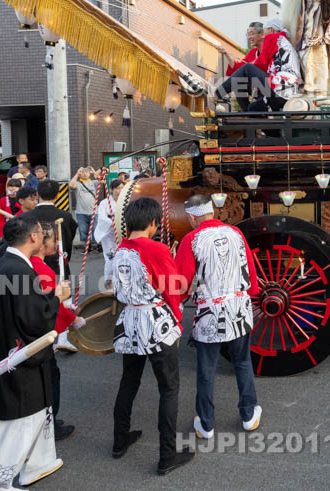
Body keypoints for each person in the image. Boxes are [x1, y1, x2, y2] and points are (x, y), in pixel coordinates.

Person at [0, 212, 66, 490]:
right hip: (13, 352)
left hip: (0, 344)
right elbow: (33, 319)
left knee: (31, 416)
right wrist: (57, 298)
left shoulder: (4, 263)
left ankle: (36, 465)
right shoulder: (19, 269)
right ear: (33, 237)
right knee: (14, 423)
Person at [110, 198, 194, 473]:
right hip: (156, 322)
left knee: (128, 383)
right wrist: (178, 321)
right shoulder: (156, 248)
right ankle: (167, 455)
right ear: (153, 222)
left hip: (130, 320)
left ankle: (120, 441)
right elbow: (172, 289)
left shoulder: (118, 250)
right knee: (169, 388)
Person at [175, 194, 262, 439]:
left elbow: (180, 284)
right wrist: (252, 294)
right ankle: (248, 415)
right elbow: (250, 270)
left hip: (208, 311)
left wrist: (175, 304)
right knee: (243, 362)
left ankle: (206, 423)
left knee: (206, 369)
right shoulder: (236, 234)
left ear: (192, 217)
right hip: (239, 307)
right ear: (212, 211)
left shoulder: (191, 240)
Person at [32, 221, 82, 441]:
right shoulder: (41, 269)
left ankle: (48, 420)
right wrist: (73, 318)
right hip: (41, 335)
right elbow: (49, 306)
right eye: (53, 240)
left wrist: (64, 305)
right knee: (50, 378)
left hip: (32, 334)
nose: (56, 244)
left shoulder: (31, 264)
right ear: (43, 243)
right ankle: (50, 424)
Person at [216, 18, 302, 111]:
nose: (249, 37)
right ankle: (248, 114)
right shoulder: (282, 43)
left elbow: (256, 66)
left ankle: (218, 93)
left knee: (246, 69)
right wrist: (227, 54)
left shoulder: (275, 37)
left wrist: (251, 67)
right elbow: (239, 69)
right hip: (283, 95)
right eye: (248, 34)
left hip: (279, 88)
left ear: (271, 30)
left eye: (264, 32)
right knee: (251, 107)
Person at [35, 179, 77, 353]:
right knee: (63, 298)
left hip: (35, 264)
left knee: (38, 300)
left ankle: (43, 337)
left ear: (37, 194)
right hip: (58, 261)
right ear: (58, 195)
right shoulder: (65, 216)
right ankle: (62, 337)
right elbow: (69, 238)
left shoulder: (28, 216)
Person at [92, 179, 125, 287]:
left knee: (123, 257)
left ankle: (122, 281)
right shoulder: (104, 203)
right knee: (111, 257)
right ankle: (109, 280)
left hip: (122, 233)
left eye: (122, 188)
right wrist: (114, 222)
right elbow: (102, 218)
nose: (120, 190)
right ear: (111, 190)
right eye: (117, 188)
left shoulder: (126, 201)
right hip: (108, 233)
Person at [70, 166, 99, 247]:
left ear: (89, 173)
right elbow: (71, 185)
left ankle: (98, 246)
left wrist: (94, 172)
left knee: (96, 230)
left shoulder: (94, 182)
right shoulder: (78, 184)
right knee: (83, 230)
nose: (84, 173)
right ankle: (87, 246)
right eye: (82, 172)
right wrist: (77, 174)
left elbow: (102, 180)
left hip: (94, 212)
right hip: (81, 212)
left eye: (86, 172)